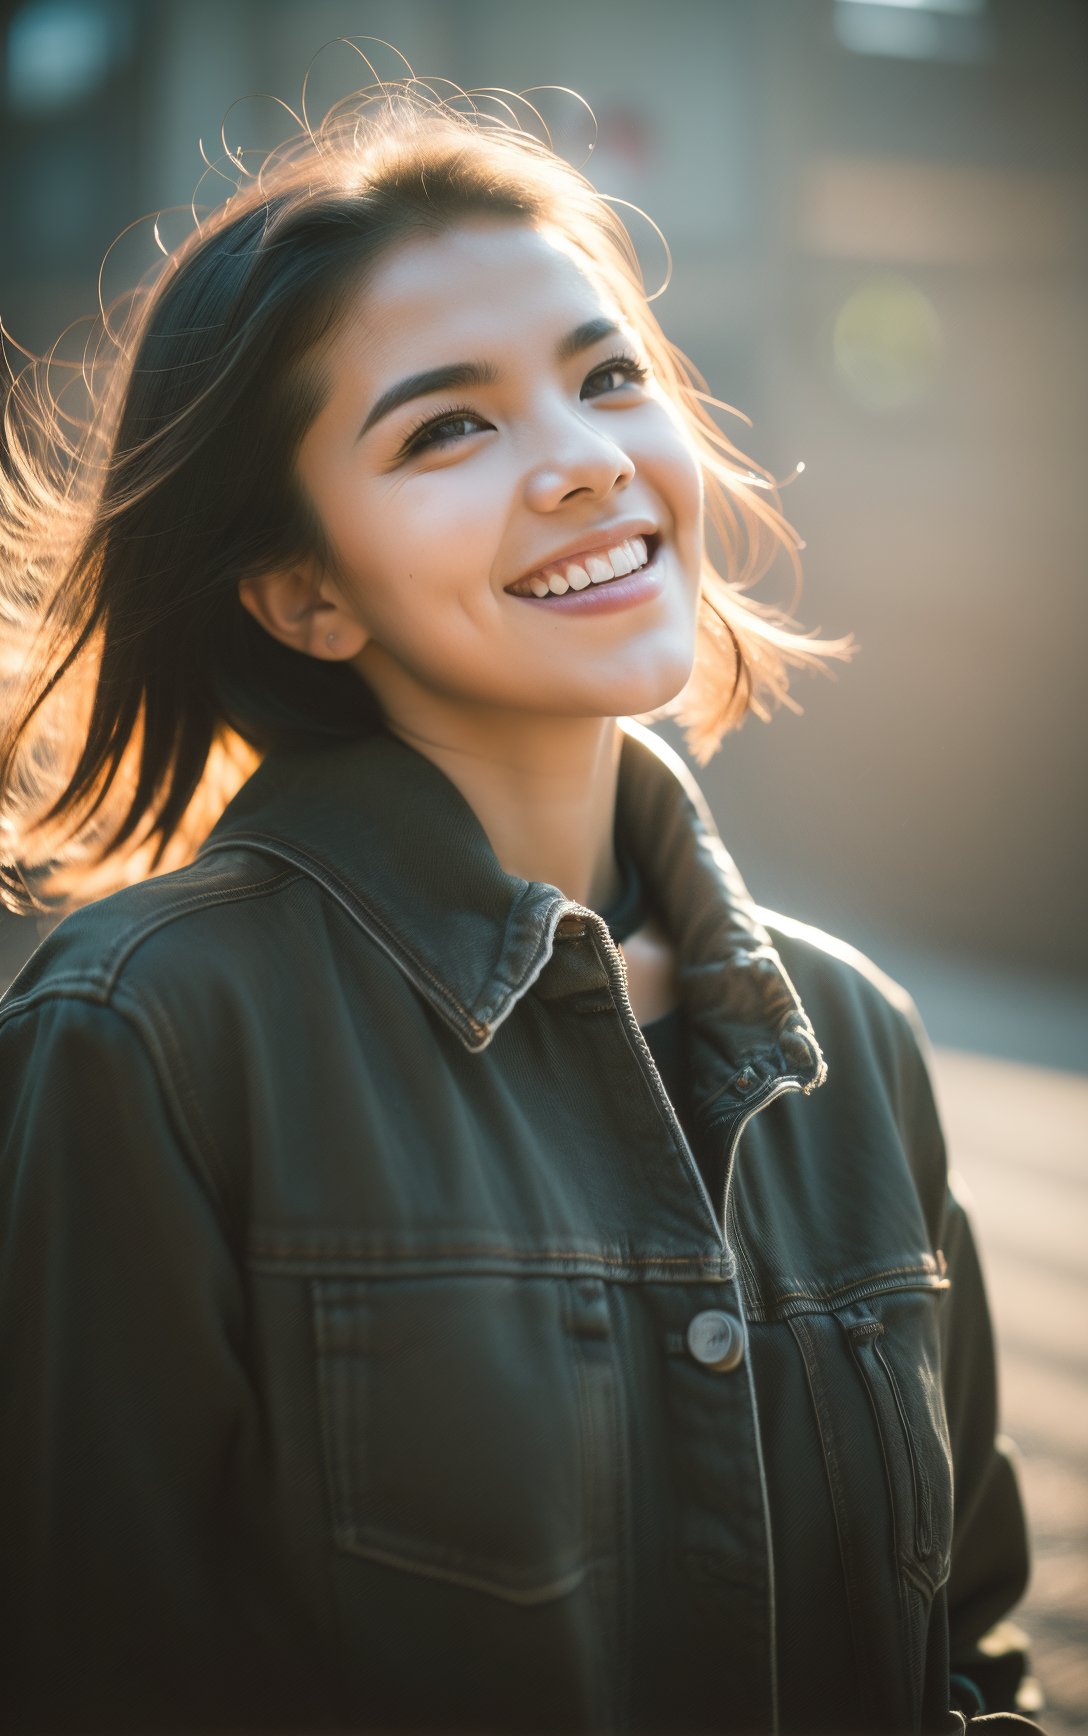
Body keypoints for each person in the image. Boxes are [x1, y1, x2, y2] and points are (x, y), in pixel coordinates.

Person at [0, 55, 1041, 1736]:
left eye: (607, 375)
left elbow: (965, 1663)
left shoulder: (854, 1034)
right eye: (449, 427)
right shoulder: (150, 1040)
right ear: (303, 591)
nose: (581, 462)